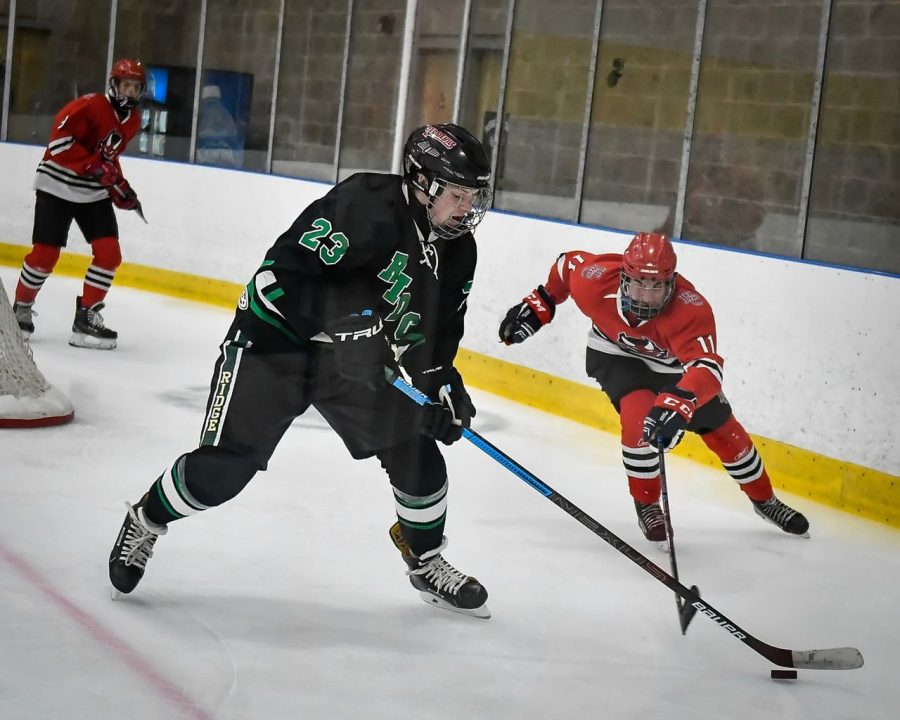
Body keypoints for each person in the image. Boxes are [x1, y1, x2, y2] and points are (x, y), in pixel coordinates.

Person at [108, 123, 494, 617]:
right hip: (276, 341)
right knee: (225, 470)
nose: (467, 208)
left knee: (416, 450)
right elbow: (281, 276)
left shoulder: (460, 250)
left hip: (352, 364)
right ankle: (145, 519)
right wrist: (347, 324)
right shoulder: (366, 202)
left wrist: (440, 383)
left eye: (473, 196)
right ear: (422, 182)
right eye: (457, 194)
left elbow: (437, 332)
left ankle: (425, 562)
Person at [498, 232, 809, 544]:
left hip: (672, 369)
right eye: (639, 284)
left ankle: (764, 499)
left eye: (657, 286)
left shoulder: (691, 309)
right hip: (614, 355)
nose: (646, 296)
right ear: (623, 277)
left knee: (723, 430)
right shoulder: (595, 281)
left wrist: (681, 402)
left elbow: (708, 369)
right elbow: (567, 265)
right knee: (637, 417)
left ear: (671, 283)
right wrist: (540, 304)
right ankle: (647, 504)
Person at [13, 58, 146, 350]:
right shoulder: (90, 105)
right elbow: (58, 144)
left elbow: (108, 157)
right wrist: (91, 165)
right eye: (126, 85)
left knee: (109, 254)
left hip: (92, 192)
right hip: (57, 184)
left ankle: (86, 317)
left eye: (136, 87)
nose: (131, 92)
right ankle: (20, 308)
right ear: (114, 85)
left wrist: (119, 186)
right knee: (45, 255)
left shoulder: (133, 121)